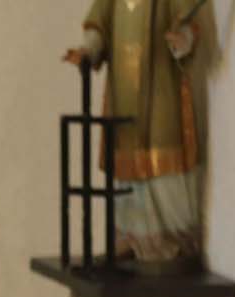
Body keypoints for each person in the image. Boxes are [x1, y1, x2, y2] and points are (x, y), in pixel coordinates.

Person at [63, 0, 215, 270]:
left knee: (164, 151)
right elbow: (99, 25)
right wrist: (88, 49)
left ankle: (171, 236)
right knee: (125, 155)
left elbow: (188, 23)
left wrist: (183, 39)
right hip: (123, 87)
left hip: (160, 86)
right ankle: (131, 235)